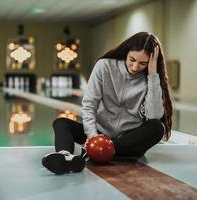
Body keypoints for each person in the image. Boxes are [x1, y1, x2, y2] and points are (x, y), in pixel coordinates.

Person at [42, 32, 173, 175]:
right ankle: (65, 156)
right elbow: (89, 104)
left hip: (126, 140)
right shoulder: (105, 66)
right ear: (126, 51)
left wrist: (153, 75)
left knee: (157, 127)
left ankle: (92, 153)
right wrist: (92, 136)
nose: (135, 67)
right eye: (132, 59)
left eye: (143, 63)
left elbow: (154, 115)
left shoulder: (150, 78)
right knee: (61, 122)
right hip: (100, 133)